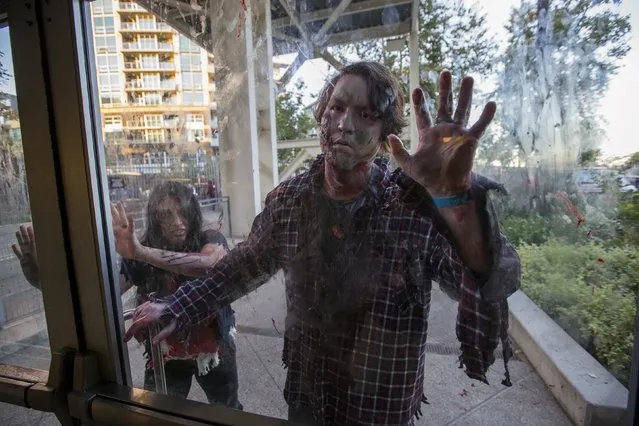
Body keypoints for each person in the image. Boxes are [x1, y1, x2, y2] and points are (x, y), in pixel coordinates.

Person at [124, 63, 521, 426]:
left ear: (386, 134)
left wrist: (456, 203)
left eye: (367, 113)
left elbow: (494, 277)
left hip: (381, 408)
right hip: (309, 398)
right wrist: (179, 305)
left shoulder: (413, 204)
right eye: (336, 107)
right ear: (322, 115)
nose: (345, 123)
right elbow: (242, 266)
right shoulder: (291, 201)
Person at [12, 181, 243, 410]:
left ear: (193, 213)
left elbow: (209, 265)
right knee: (156, 415)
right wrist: (41, 280)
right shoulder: (142, 252)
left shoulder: (209, 238)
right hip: (164, 353)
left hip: (212, 348)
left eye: (183, 213)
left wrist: (141, 253)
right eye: (166, 215)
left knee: (228, 411)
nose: (177, 222)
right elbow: (99, 297)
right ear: (155, 219)